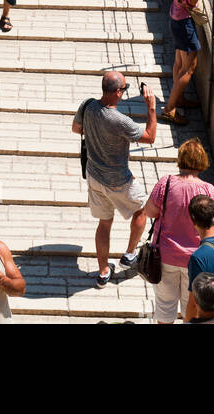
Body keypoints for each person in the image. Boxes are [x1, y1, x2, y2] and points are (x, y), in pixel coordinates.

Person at [72, 72, 157, 286]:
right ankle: (129, 255)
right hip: (119, 180)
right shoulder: (120, 121)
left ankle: (102, 272)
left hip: (94, 176)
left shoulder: (88, 105)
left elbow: (76, 128)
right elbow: (150, 137)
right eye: (124, 89)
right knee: (142, 210)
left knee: (104, 223)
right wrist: (151, 107)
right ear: (118, 92)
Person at [140, 138, 214, 324]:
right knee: (192, 308)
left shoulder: (166, 183)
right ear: (202, 161)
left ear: (181, 159)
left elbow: (150, 211)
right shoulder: (209, 190)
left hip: (164, 256)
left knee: (164, 306)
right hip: (196, 259)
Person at [161, 0, 208, 127]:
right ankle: (169, 109)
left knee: (179, 62)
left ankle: (178, 98)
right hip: (184, 22)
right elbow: (192, 0)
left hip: (175, 18)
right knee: (189, 67)